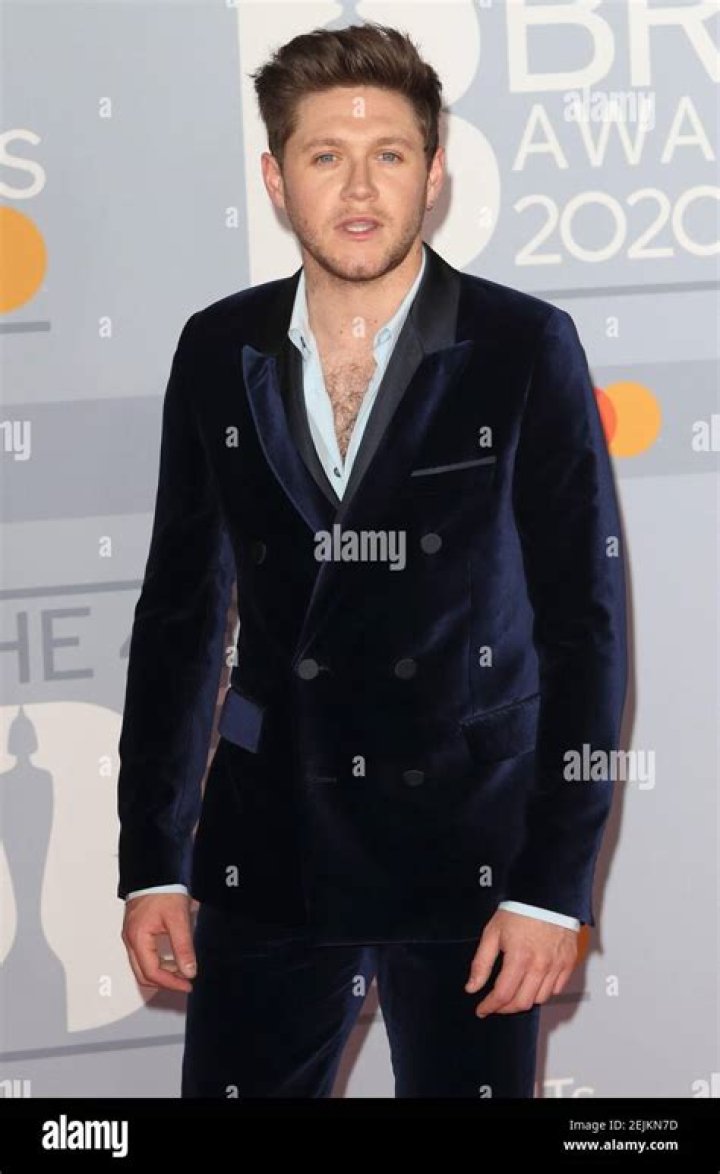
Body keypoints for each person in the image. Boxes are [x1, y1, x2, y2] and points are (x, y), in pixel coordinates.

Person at [117, 23, 628, 1098]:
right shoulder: (216, 346)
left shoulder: (522, 345)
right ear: (275, 179)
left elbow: (586, 630)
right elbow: (178, 619)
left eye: (389, 154)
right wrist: (152, 860)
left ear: (434, 175)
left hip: (474, 854)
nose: (359, 188)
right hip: (269, 846)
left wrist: (552, 884)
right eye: (326, 155)